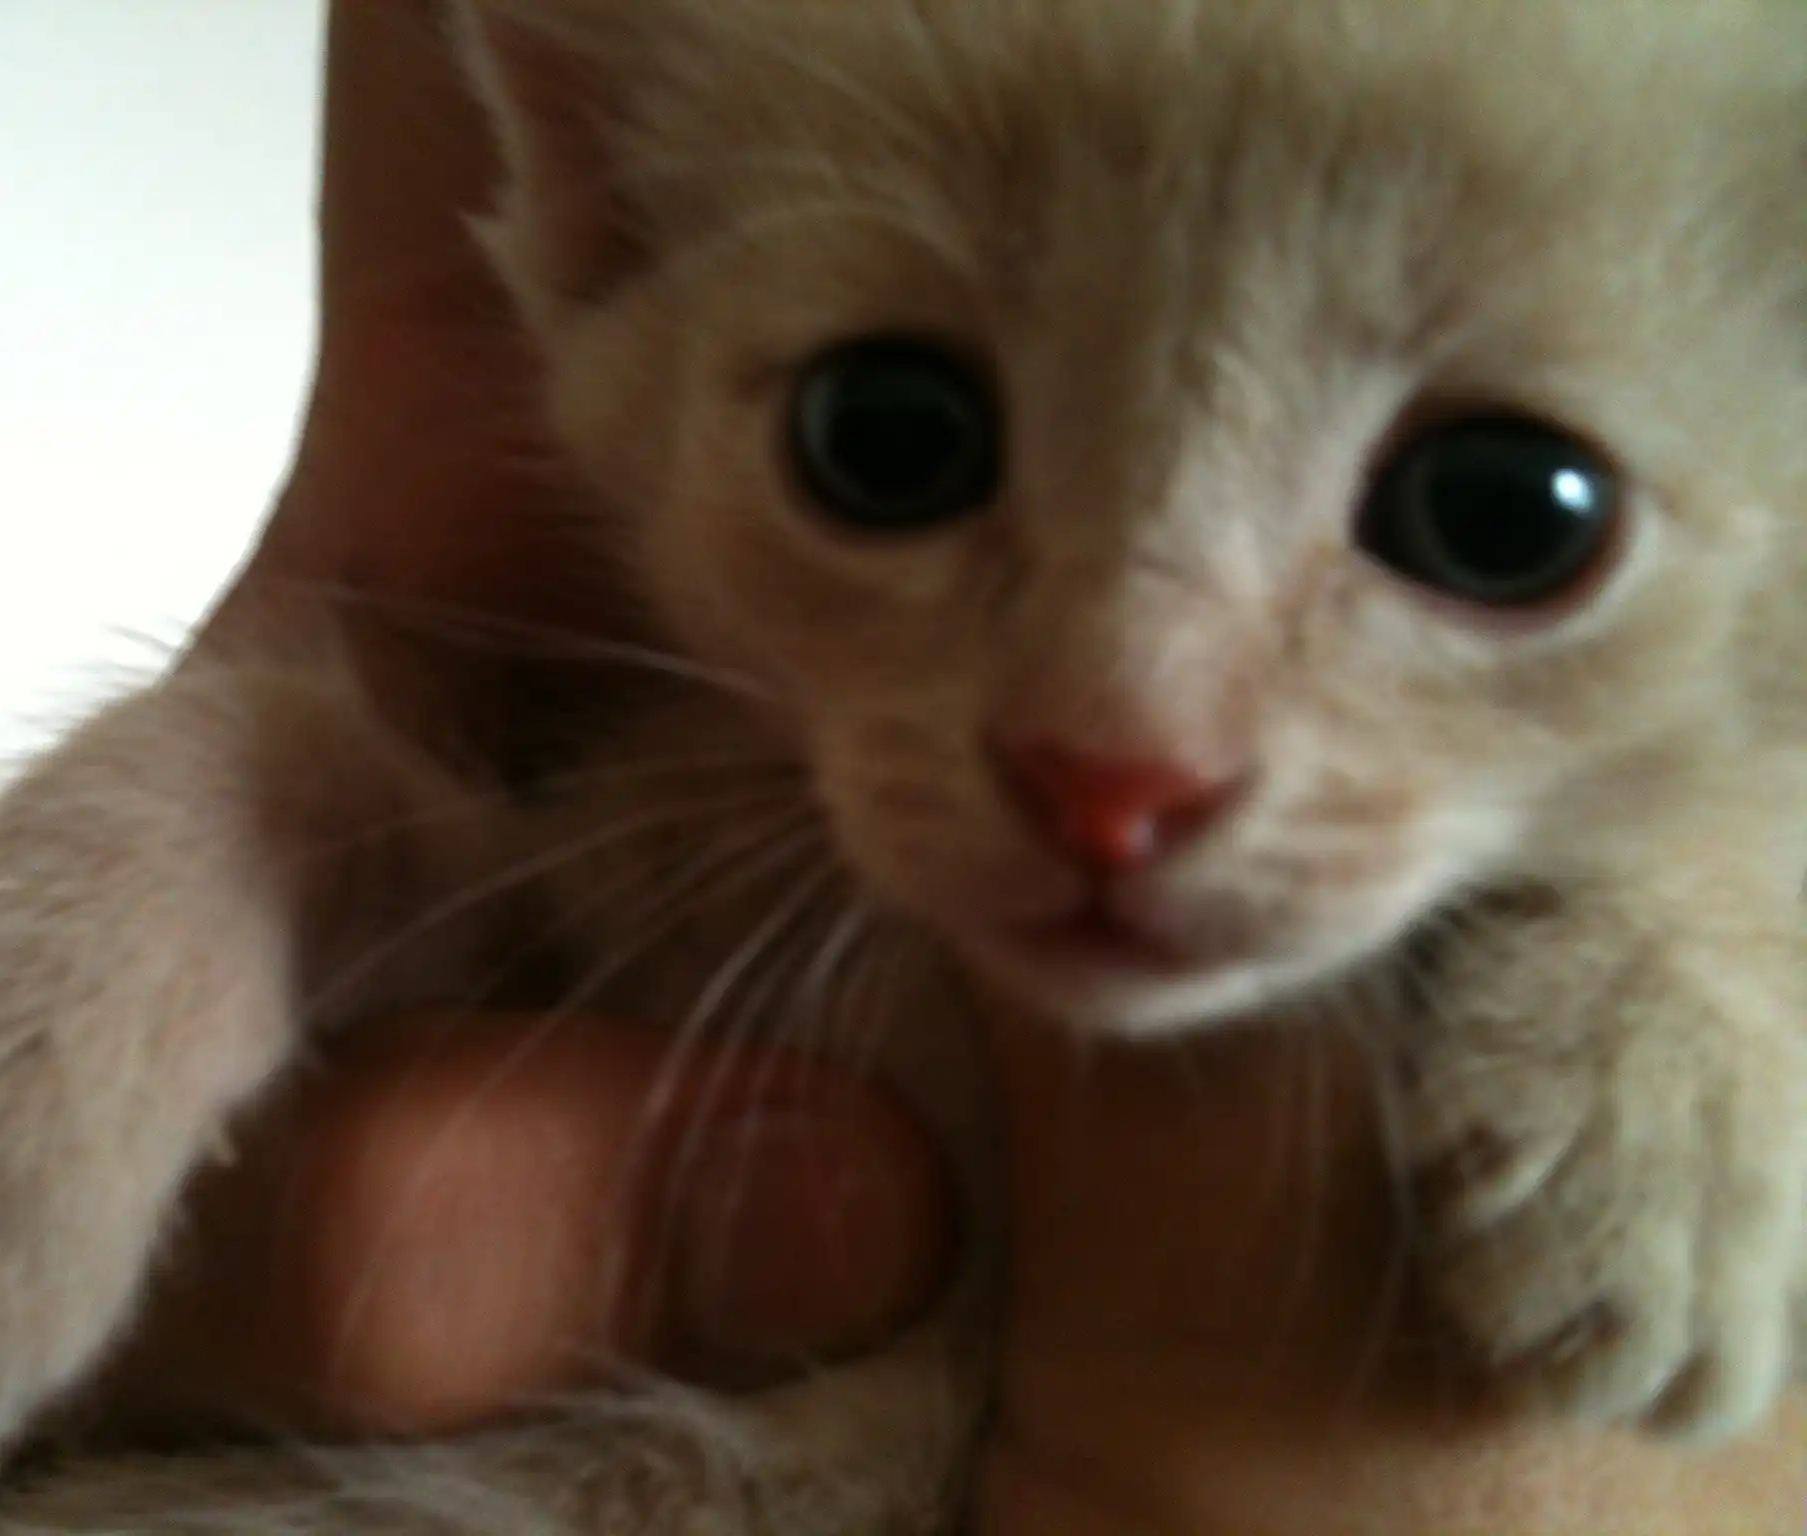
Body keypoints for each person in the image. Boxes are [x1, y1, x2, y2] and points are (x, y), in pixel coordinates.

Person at [99, 2, 1807, 1529]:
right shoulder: (619, 762)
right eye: (895, 443)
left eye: (1500, 515)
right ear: (607, 198)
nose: (1123, 754)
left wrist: (1692, 925)